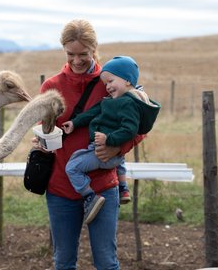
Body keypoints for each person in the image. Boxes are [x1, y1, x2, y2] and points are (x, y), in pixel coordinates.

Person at [33, 19, 142, 270]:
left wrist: (118, 148)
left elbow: (140, 128)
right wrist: (41, 141)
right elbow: (44, 127)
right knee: (63, 262)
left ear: (94, 49)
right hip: (61, 187)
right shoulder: (51, 87)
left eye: (84, 54)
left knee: (106, 262)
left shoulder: (112, 82)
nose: (77, 60)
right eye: (71, 54)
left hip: (103, 186)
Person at [62, 56, 160, 224]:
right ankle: (123, 188)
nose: (107, 87)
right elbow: (93, 112)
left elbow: (130, 130)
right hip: (115, 158)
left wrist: (109, 140)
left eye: (110, 81)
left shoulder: (129, 104)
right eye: (105, 83)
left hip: (103, 154)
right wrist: (74, 123)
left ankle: (89, 196)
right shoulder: (112, 101)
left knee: (72, 167)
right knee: (116, 161)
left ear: (128, 80)